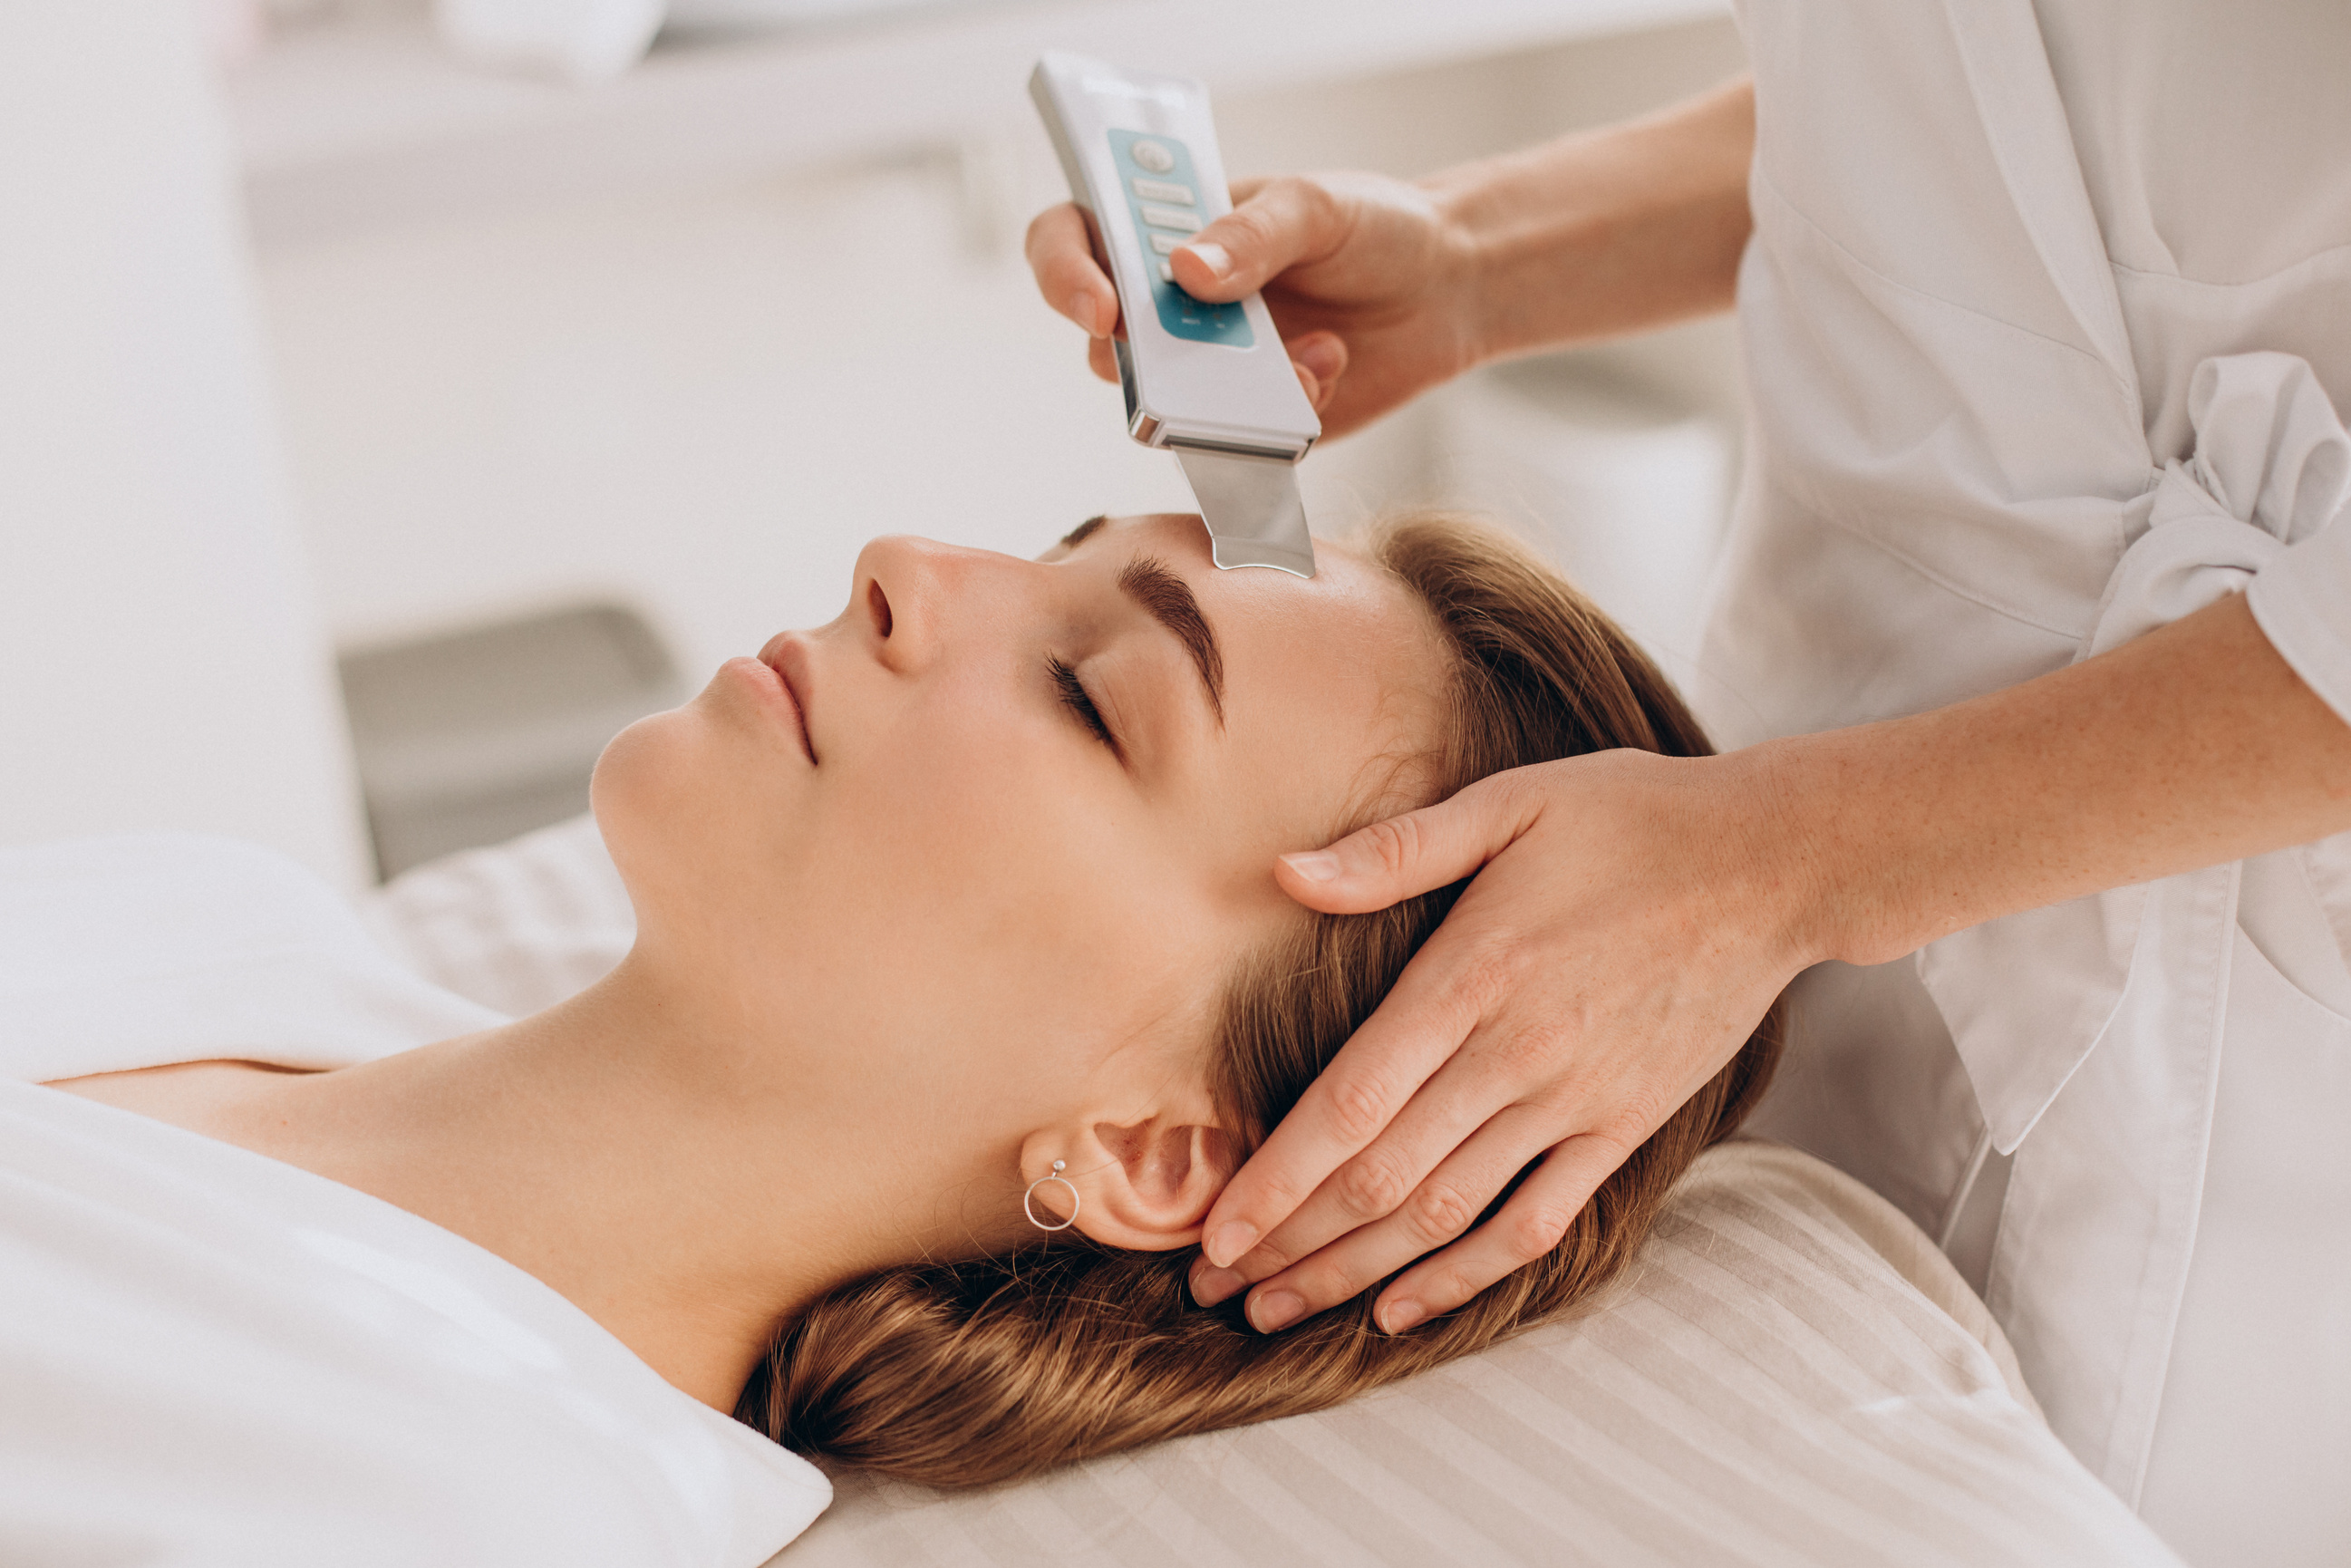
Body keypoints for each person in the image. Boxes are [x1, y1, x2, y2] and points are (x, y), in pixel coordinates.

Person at [1023, 5, 2351, 1560]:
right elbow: (1976, 92)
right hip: (1781, 874)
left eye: (1090, 704)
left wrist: (1788, 859)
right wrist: (1472, 257)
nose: (891, 563)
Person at [3, 513, 1778, 1563]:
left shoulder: (477, 1495)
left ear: (1166, 1152)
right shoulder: (217, 914)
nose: (909, 567)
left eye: (1090, 695)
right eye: (1052, 547)